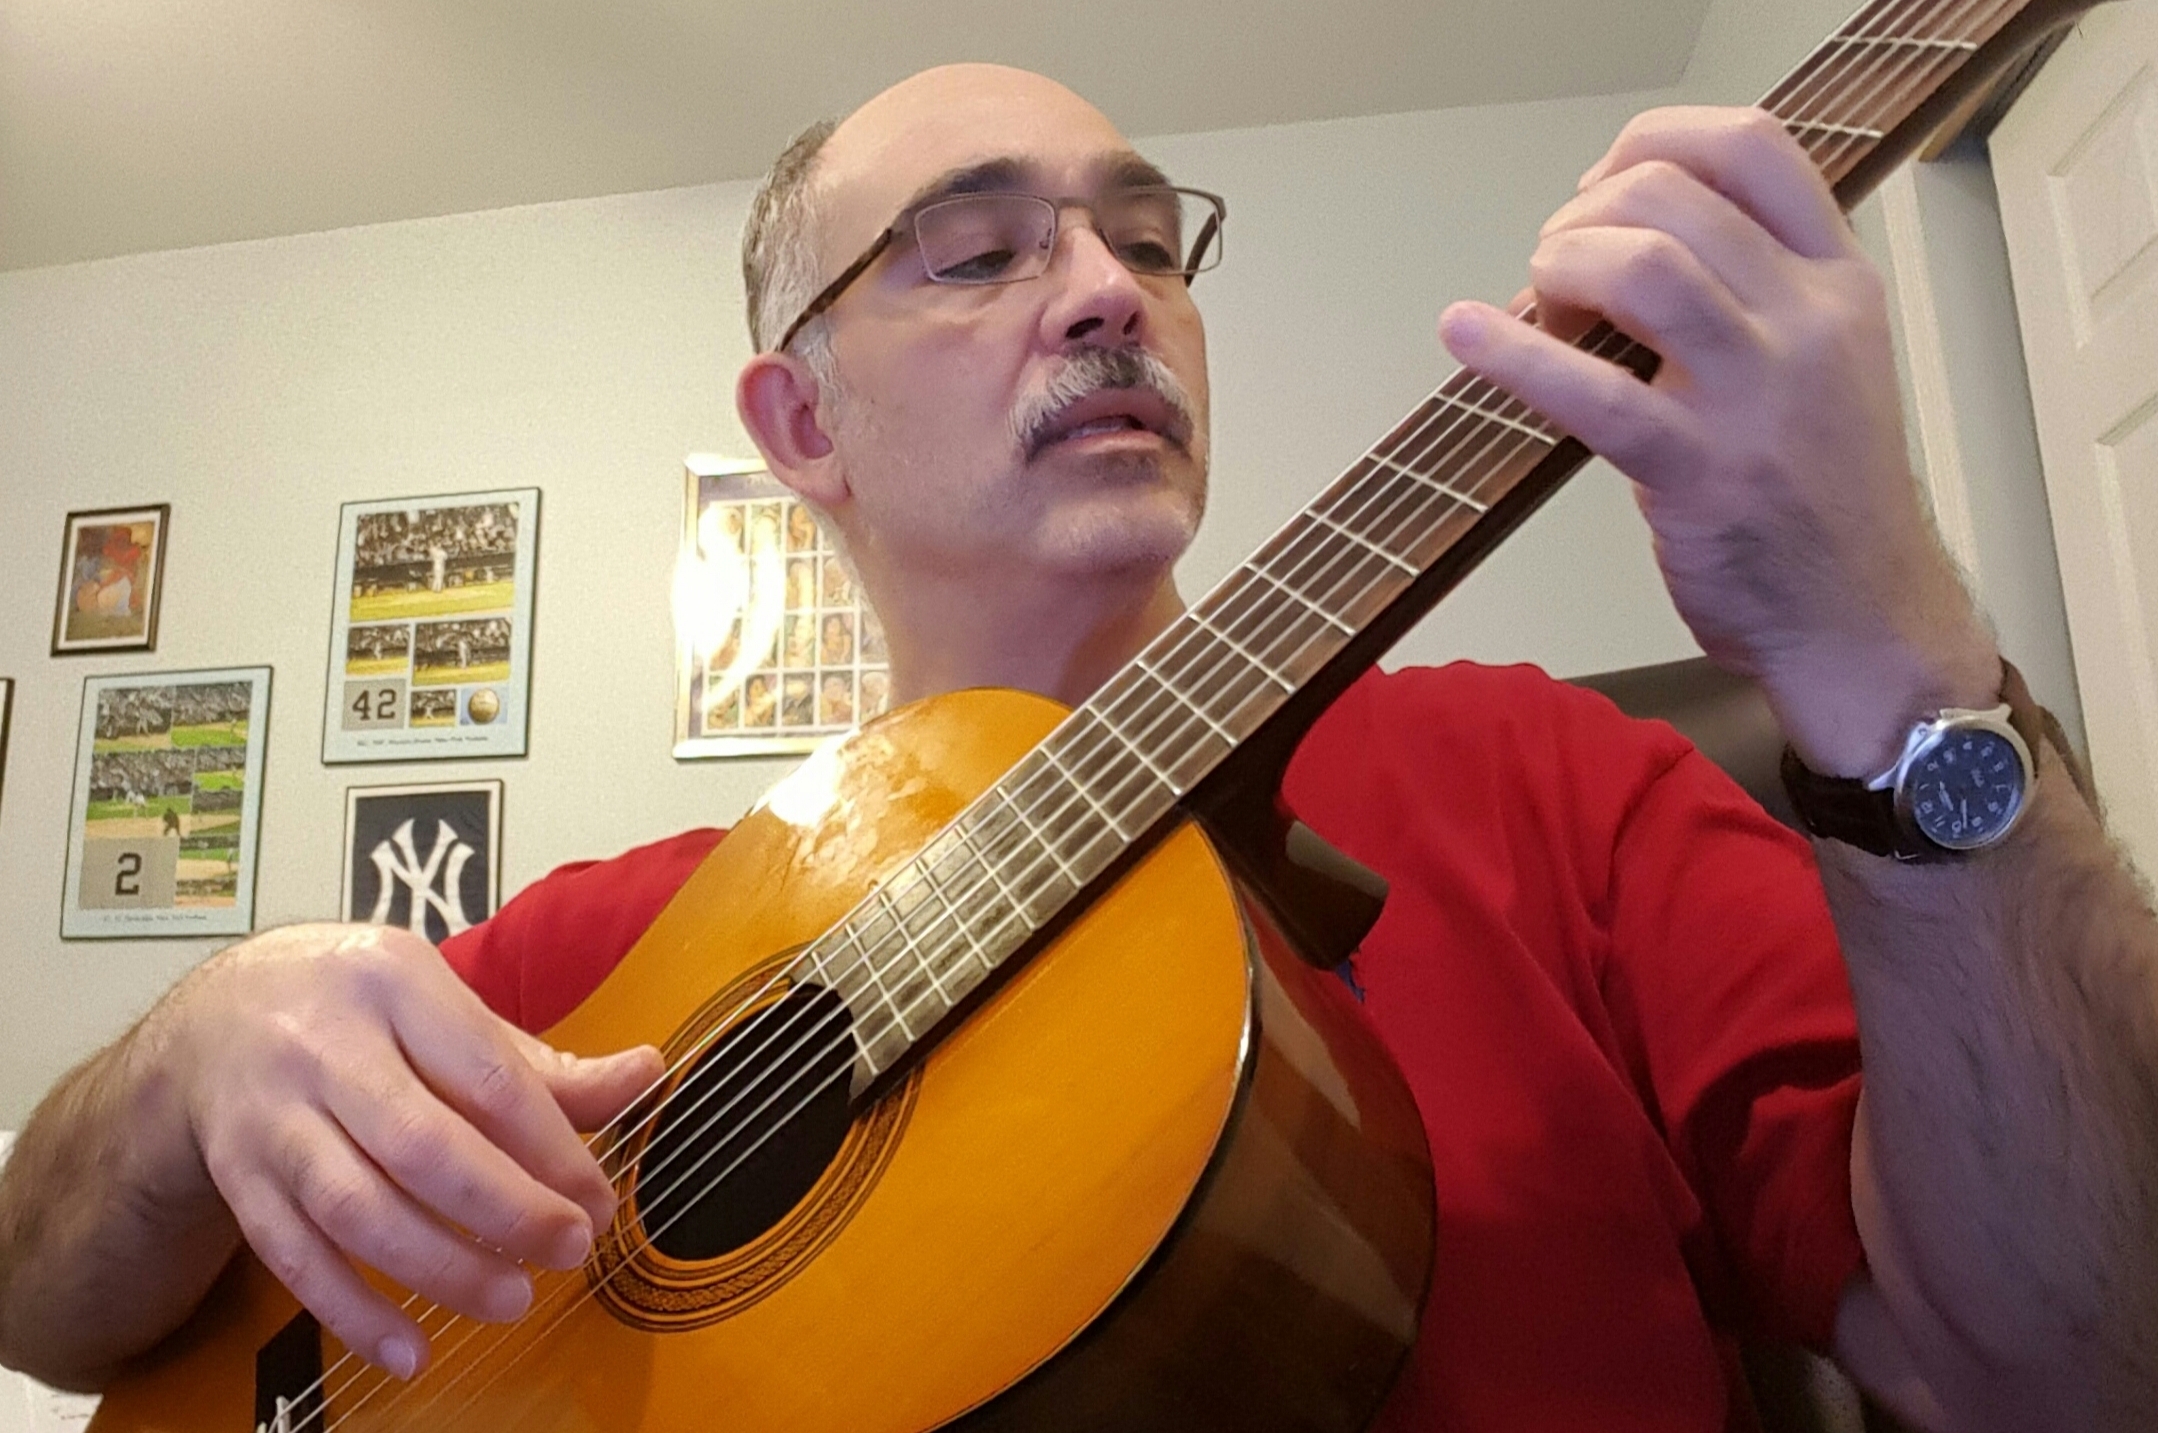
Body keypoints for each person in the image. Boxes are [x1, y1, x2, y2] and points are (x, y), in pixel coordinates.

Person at [2, 61, 2156, 1433]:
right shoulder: (600, 954)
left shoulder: (1542, 782)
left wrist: (1887, 646)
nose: (1107, 288)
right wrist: (206, 1042)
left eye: (1143, 238)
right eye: (973, 251)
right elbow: (45, 1307)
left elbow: (2078, 1363)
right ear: (800, 422)